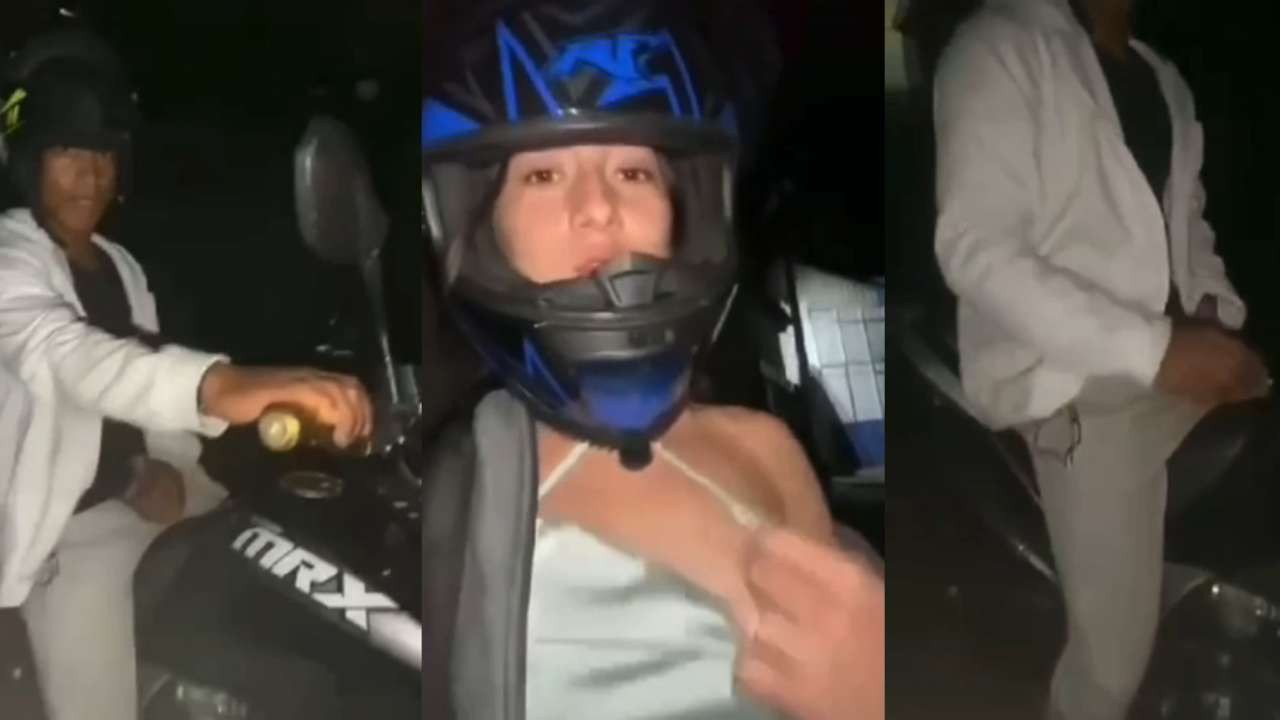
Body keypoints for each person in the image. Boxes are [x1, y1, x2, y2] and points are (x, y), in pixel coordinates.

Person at [421, 2, 884, 719]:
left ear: (683, 210)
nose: (598, 207)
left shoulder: (765, 449)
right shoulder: (449, 484)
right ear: (484, 227)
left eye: (634, 171)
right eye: (542, 175)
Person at [0, 35, 373, 720]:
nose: (90, 174)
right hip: (64, 527)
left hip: (145, 496)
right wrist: (225, 386)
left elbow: (151, 406)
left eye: (104, 152)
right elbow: (71, 357)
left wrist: (175, 465)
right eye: (67, 151)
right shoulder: (9, 258)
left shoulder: (120, 263)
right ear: (27, 159)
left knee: (295, 560)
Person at [933, 0, 1269, 717]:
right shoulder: (999, 46)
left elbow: (1189, 226)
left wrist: (1214, 309)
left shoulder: (1161, 77)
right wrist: (1157, 351)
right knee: (1110, 668)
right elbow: (976, 250)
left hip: (1171, 355)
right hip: (1078, 382)